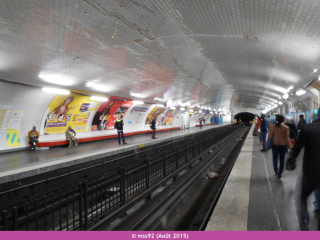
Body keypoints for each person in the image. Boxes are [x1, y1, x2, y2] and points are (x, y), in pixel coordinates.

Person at [289, 110, 320, 230]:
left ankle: (304, 223)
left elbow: (297, 147)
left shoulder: (308, 129)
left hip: (310, 171)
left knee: (302, 196)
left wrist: (291, 160)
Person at [266, 114, 292, 178]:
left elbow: (269, 136)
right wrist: (290, 146)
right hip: (283, 146)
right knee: (282, 159)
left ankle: (276, 171)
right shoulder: (286, 128)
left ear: (276, 119)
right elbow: (287, 138)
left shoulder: (272, 127)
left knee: (275, 159)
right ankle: (280, 173)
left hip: (275, 145)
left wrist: (266, 144)